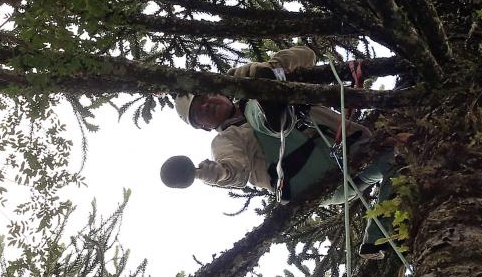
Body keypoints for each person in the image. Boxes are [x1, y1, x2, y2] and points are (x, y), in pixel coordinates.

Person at [160, 45, 394, 259]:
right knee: (253, 102)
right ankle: (271, 106)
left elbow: (308, 55)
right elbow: (235, 171)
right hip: (302, 176)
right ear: (203, 127)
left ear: (220, 90)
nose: (206, 105)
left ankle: (378, 239)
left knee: (396, 155)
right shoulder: (225, 139)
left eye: (205, 97)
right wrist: (214, 174)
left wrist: (262, 70)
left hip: (350, 155)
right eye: (199, 113)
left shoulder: (252, 88)